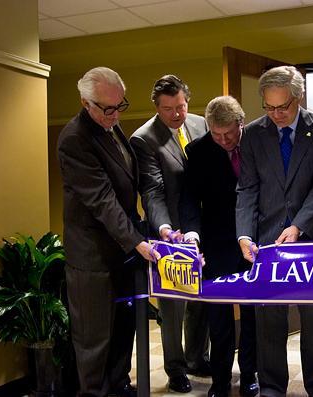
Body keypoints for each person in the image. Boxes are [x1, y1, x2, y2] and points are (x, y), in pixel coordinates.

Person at [57, 66, 159, 397]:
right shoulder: (75, 138)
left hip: (121, 254)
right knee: (94, 338)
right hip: (92, 258)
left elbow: (130, 183)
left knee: (122, 330)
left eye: (120, 106)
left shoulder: (110, 126)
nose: (115, 115)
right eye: (107, 108)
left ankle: (118, 385)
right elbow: (101, 199)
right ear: (86, 102)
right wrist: (137, 241)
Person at [235, 65, 313, 397]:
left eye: (284, 107)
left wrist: (299, 226)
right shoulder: (252, 133)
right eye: (269, 107)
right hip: (267, 242)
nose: (276, 114)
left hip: (311, 240)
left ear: (298, 97)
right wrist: (244, 234)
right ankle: (272, 388)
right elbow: (247, 189)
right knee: (269, 322)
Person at [130, 75, 210, 393]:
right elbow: (152, 190)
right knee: (172, 303)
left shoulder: (201, 124)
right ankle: (176, 368)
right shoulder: (144, 139)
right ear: (156, 107)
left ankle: (196, 358)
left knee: (202, 297)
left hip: (202, 226)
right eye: (168, 109)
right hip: (170, 230)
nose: (176, 114)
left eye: (180, 106)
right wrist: (164, 228)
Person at [180, 96, 258, 397]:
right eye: (216, 134)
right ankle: (221, 380)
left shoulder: (256, 141)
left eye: (229, 133)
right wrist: (192, 235)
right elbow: (189, 199)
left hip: (253, 243)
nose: (224, 140)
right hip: (217, 244)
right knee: (219, 320)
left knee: (252, 317)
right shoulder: (197, 151)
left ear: (241, 123)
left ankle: (251, 375)